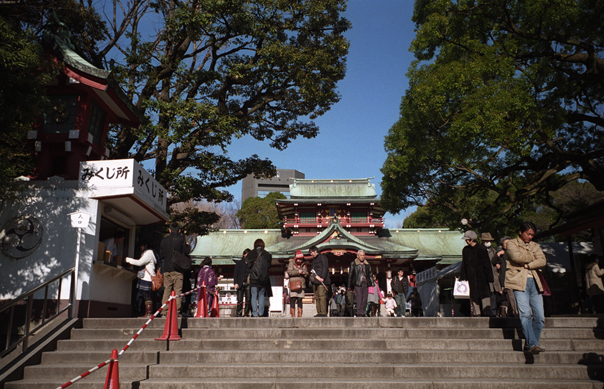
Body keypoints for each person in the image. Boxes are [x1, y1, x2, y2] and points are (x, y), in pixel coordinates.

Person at [506, 221, 547, 355]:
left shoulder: (534, 245)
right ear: (521, 232)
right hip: (519, 282)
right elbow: (515, 256)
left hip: (535, 282)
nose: (530, 237)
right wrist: (532, 258)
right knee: (525, 314)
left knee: (540, 317)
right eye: (528, 234)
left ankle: (530, 343)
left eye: (532, 235)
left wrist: (528, 264)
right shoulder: (512, 243)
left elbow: (543, 260)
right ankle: (534, 344)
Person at [460, 230, 494, 317]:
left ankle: (487, 311)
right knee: (474, 295)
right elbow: (464, 264)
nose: (466, 241)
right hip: (471, 276)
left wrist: (490, 277)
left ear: (472, 239)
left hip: (482, 277)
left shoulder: (481, 249)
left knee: (484, 295)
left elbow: (487, 264)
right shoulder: (465, 250)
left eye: (467, 239)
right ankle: (476, 313)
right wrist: (463, 276)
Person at [159, 222, 190, 317]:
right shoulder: (181, 239)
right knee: (178, 290)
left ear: (169, 230)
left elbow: (161, 255)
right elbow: (186, 251)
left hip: (167, 268)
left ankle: (164, 311)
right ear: (179, 230)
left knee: (167, 290)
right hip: (177, 268)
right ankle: (176, 312)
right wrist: (187, 245)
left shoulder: (164, 240)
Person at [125, 240, 157, 318]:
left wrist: (128, 260)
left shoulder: (149, 253)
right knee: (146, 295)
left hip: (147, 278)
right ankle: (147, 313)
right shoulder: (152, 253)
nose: (141, 248)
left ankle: (149, 313)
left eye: (142, 246)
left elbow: (140, 262)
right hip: (147, 277)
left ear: (145, 246)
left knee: (147, 295)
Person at [245, 239, 272, 317]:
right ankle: (261, 312)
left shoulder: (251, 253)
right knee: (261, 295)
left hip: (253, 278)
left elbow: (248, 265)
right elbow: (269, 266)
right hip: (263, 278)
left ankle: (254, 313)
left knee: (253, 295)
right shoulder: (267, 254)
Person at [348, 250, 373, 317]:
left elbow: (370, 274)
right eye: (361, 255)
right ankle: (359, 312)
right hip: (358, 282)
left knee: (365, 298)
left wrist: (371, 283)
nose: (362, 257)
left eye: (363, 255)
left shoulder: (367, 264)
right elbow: (351, 275)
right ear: (358, 256)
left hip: (365, 282)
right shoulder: (354, 263)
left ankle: (363, 312)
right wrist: (349, 285)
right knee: (359, 298)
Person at [496, 236, 516, 317]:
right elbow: (494, 262)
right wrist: (498, 254)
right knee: (509, 298)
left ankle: (513, 313)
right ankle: (513, 313)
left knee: (513, 298)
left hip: (514, 278)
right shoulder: (500, 254)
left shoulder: (515, 253)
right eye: (506, 243)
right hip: (504, 279)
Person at [482, 232, 501, 316]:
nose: (488, 242)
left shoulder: (493, 250)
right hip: (484, 276)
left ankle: (493, 311)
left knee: (493, 294)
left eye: (489, 240)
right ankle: (486, 312)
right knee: (486, 295)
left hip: (494, 275)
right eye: (486, 240)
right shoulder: (480, 250)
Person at [310, 246, 330, 317]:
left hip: (322, 280)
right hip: (315, 281)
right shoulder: (314, 259)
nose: (311, 254)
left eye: (311, 252)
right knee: (317, 296)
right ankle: (319, 312)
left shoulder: (322, 257)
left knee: (322, 296)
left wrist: (323, 277)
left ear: (315, 251)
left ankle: (323, 312)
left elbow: (325, 267)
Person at [287, 249, 308, 317]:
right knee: (292, 299)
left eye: (301, 259)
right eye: (298, 259)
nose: (299, 261)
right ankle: (293, 315)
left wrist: (304, 273)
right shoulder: (291, 264)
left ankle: (300, 315)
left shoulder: (304, 265)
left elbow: (307, 274)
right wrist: (298, 272)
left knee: (300, 299)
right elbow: (289, 272)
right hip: (293, 284)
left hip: (301, 284)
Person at [234, 249, 250, 317]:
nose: (247, 255)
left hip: (248, 283)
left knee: (248, 300)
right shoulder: (239, 262)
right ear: (244, 254)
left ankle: (246, 313)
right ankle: (239, 314)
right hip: (240, 283)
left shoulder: (251, 263)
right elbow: (235, 273)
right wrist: (235, 282)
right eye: (246, 254)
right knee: (240, 300)